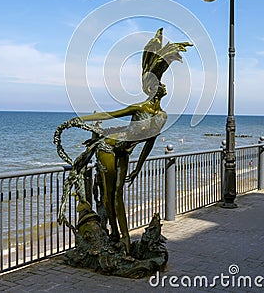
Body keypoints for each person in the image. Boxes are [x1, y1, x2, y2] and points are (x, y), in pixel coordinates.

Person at [54, 28, 192, 253]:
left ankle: (123, 239)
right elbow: (108, 116)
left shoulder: (162, 117)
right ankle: (119, 237)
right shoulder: (140, 107)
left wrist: (138, 167)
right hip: (109, 147)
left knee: (118, 194)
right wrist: (79, 119)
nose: (159, 89)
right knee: (110, 195)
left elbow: (149, 143)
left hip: (124, 152)